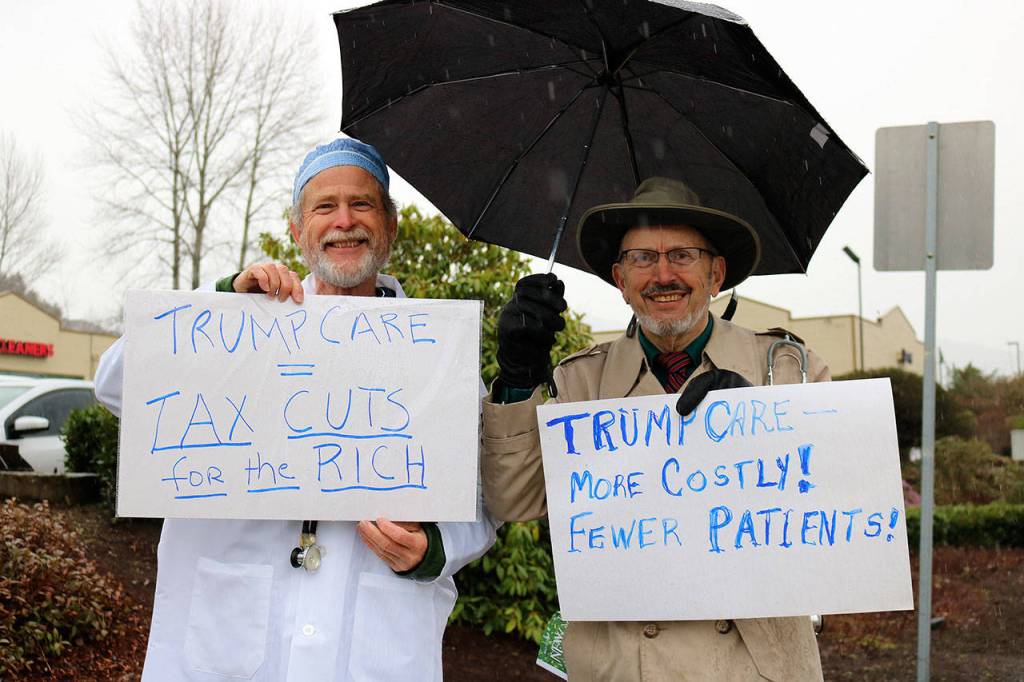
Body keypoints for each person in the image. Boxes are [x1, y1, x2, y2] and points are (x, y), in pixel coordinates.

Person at [94, 137, 497, 681]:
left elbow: (478, 495)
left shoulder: (436, 352)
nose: (344, 221)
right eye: (324, 206)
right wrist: (219, 307)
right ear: (296, 229)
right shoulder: (239, 322)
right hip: (223, 639)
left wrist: (434, 548)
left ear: (391, 226)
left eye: (362, 204)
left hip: (376, 641)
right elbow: (116, 386)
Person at [481, 177, 829, 681]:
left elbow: (830, 521)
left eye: (683, 255)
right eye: (643, 258)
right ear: (621, 280)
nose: (662, 274)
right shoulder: (580, 381)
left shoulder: (790, 369)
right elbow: (515, 500)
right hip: (621, 667)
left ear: (717, 274)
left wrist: (760, 436)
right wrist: (516, 379)